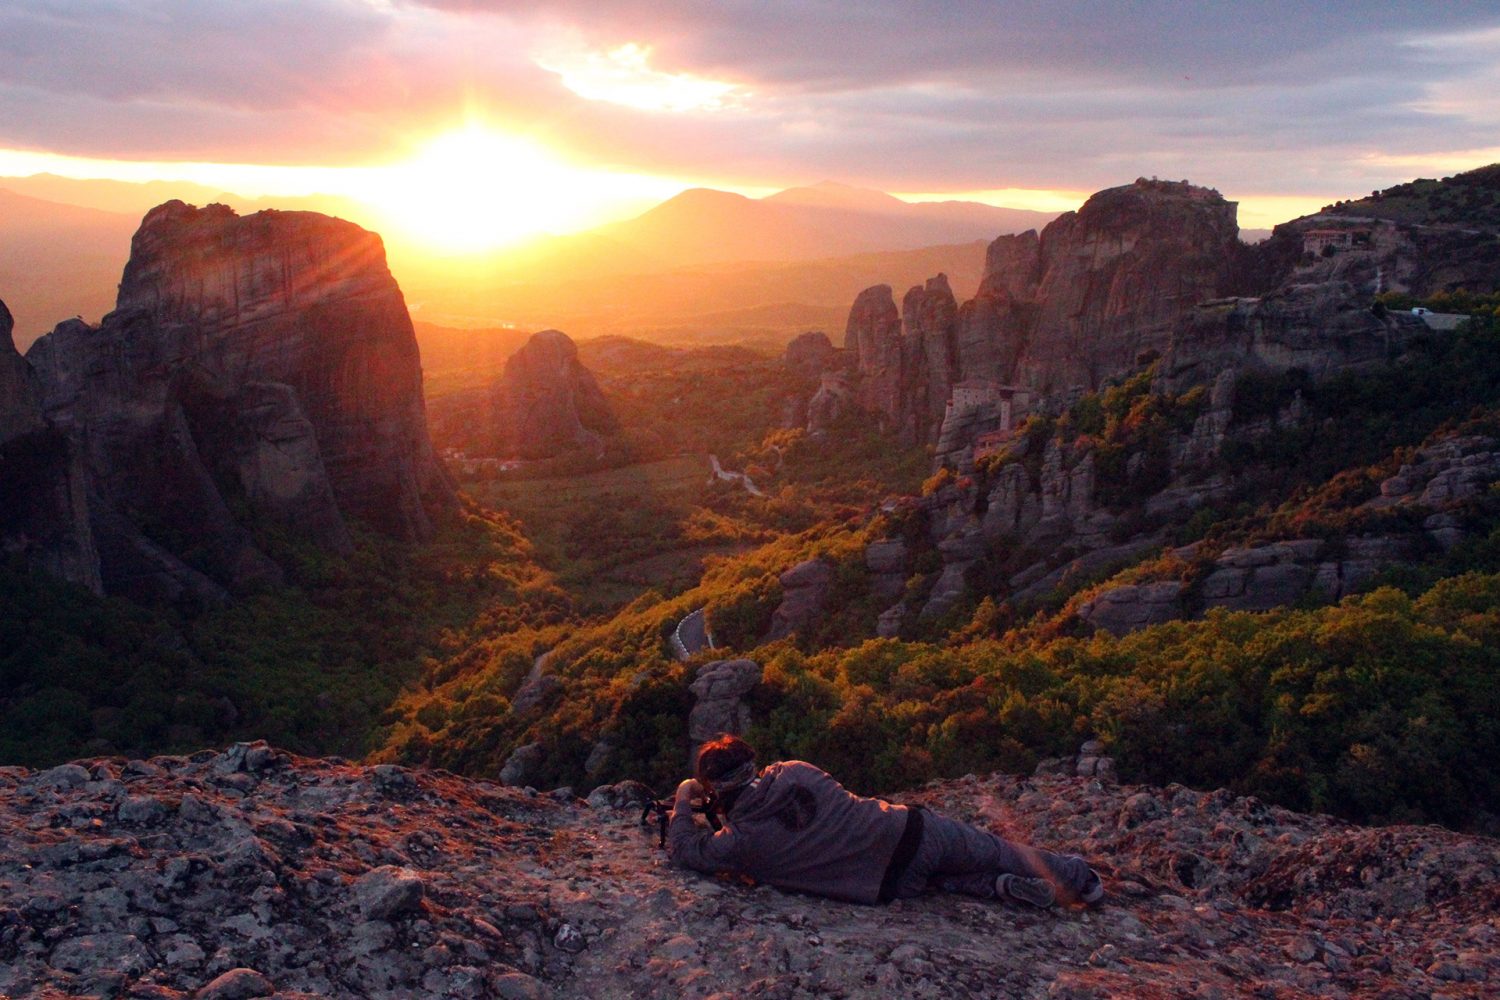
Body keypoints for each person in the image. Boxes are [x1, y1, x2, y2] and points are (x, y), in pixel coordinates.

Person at [667, 734, 1103, 908]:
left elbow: (686, 850)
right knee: (999, 850)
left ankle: (994, 888)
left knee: (932, 884)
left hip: (888, 883)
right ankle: (1082, 880)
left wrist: (685, 796)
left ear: (715, 789)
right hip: (910, 831)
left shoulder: (739, 842)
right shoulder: (798, 770)